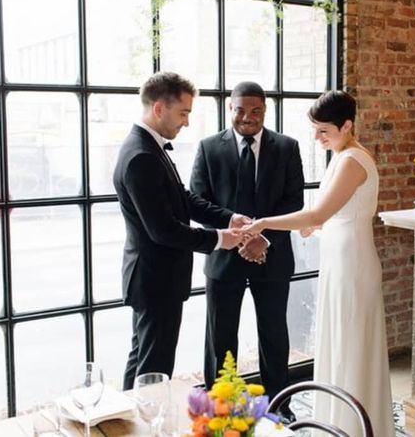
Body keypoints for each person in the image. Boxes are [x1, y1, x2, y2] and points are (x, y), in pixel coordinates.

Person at [240, 90, 395, 436]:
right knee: (339, 345)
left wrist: (264, 222)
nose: (317, 137)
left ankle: (354, 426)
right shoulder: (342, 155)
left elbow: (320, 210)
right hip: (340, 260)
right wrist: (318, 224)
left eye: (323, 130)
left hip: (352, 265)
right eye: (315, 129)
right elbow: (334, 212)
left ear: (348, 125)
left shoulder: (353, 160)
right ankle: (338, 422)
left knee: (351, 347)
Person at [113, 72, 246, 390]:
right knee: (154, 368)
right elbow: (163, 230)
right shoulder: (142, 156)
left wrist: (228, 219)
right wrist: (218, 239)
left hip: (155, 278)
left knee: (143, 359)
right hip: (155, 279)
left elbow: (182, 200)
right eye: (183, 113)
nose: (186, 122)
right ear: (159, 108)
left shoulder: (150, 148)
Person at [190, 81, 304, 416]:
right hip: (224, 259)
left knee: (273, 336)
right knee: (220, 339)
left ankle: (278, 407)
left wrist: (262, 238)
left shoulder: (287, 147)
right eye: (240, 109)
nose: (247, 117)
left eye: (255, 111)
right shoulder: (209, 147)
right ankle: (219, 408)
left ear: (265, 110)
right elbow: (198, 203)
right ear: (230, 108)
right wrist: (240, 236)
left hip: (273, 256)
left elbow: (293, 202)